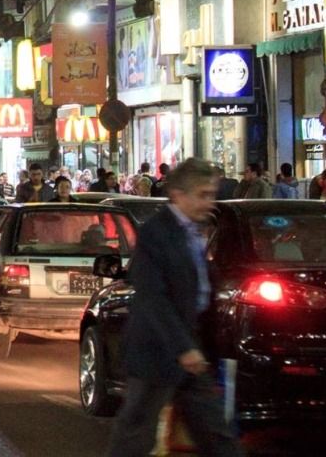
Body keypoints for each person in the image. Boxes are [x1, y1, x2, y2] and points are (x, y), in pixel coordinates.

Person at [105, 158, 242, 457]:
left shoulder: (192, 231)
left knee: (215, 432)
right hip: (156, 350)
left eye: (212, 194)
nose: (210, 202)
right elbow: (153, 297)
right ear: (179, 195)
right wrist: (183, 348)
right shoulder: (156, 233)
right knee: (135, 434)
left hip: (190, 347)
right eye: (203, 195)